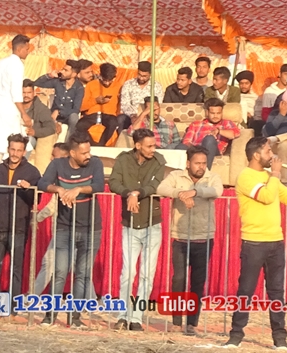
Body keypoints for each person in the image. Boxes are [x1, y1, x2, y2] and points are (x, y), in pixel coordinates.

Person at [225, 136, 287, 350]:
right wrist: (277, 174)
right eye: (268, 151)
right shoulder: (245, 177)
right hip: (253, 242)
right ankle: (235, 335)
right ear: (256, 155)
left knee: (276, 292)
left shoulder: (269, 177)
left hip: (275, 242)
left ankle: (280, 339)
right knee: (246, 290)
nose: (272, 155)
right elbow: (267, 197)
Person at [38, 134, 104, 327]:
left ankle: (75, 318)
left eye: (89, 151)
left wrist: (78, 189)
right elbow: (42, 183)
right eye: (84, 153)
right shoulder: (58, 164)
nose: (88, 155)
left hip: (91, 228)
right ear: (72, 153)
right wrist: (58, 189)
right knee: (60, 272)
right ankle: (50, 316)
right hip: (64, 227)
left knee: (82, 274)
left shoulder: (95, 163)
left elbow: (99, 185)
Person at [157, 146, 223, 335]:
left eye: (204, 163)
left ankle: (192, 323)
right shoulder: (176, 176)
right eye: (197, 163)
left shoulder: (212, 177)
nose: (201, 167)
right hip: (180, 236)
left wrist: (194, 192)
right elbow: (161, 188)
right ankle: (177, 322)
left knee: (197, 282)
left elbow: (217, 191)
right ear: (188, 163)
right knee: (178, 279)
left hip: (203, 237)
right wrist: (180, 193)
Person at [108, 129, 167, 331]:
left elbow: (154, 185)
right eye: (149, 146)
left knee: (146, 275)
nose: (153, 149)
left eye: (154, 145)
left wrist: (136, 194)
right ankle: (123, 315)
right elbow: (113, 182)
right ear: (138, 145)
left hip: (152, 223)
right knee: (128, 273)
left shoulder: (159, 161)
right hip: (130, 223)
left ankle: (137, 318)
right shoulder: (123, 160)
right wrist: (128, 194)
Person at [0, 134, 39, 298]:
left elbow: (36, 200)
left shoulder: (32, 172)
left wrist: (28, 189)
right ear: (8, 149)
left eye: (19, 150)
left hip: (19, 228)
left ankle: (13, 306)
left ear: (24, 151)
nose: (15, 153)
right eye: (13, 149)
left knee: (16, 270)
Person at [30, 142, 70, 294]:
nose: (52, 159)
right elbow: (53, 205)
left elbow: (53, 206)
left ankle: (32, 296)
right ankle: (33, 295)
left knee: (52, 263)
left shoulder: (68, 178)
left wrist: (37, 218)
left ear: (65, 157)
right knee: (78, 269)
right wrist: (37, 218)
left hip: (68, 230)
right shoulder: (61, 177)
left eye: (55, 156)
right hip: (63, 230)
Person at [0, 35, 33, 162]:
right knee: (14, 145)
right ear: (19, 49)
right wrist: (24, 113)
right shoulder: (17, 64)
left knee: (3, 145)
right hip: (9, 109)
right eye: (27, 49)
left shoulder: (0, 63)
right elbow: (16, 92)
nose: (28, 52)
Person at [181, 98, 241, 166]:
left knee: (209, 139)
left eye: (218, 113)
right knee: (180, 147)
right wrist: (196, 150)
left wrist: (219, 131)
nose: (215, 116)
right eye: (212, 113)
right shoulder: (195, 124)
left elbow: (235, 134)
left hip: (213, 151)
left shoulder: (226, 123)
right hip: (195, 150)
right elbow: (186, 142)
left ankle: (205, 169)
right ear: (207, 112)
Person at [34, 59, 88, 131]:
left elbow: (76, 109)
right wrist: (50, 75)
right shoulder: (58, 81)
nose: (62, 71)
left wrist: (59, 112)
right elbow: (37, 83)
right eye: (63, 69)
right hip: (53, 115)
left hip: (67, 117)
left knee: (74, 117)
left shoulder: (79, 88)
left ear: (74, 74)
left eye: (66, 70)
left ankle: (70, 138)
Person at [76, 62, 122, 146]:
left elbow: (120, 106)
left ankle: (100, 145)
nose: (107, 83)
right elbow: (82, 107)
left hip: (109, 115)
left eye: (110, 80)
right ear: (100, 75)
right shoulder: (91, 85)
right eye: (105, 80)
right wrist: (95, 101)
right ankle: (92, 144)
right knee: (80, 125)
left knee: (113, 122)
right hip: (92, 115)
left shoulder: (119, 86)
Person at [18, 78, 58, 170]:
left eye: (29, 92)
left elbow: (51, 127)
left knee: (28, 141)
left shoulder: (41, 109)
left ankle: (20, 167)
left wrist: (35, 132)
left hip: (30, 138)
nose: (26, 95)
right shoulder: (14, 106)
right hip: (13, 134)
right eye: (23, 92)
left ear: (34, 93)